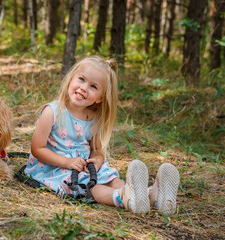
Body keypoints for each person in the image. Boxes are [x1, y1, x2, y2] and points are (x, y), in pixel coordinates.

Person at [23, 56, 180, 215]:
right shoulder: (52, 112)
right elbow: (37, 148)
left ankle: (152, 196)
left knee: (112, 179)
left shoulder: (93, 119)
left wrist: (97, 162)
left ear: (100, 98)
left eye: (93, 86)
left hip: (83, 166)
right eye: (81, 79)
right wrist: (68, 162)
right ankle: (122, 198)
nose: (84, 88)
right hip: (56, 167)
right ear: (71, 79)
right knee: (93, 187)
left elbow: (96, 150)